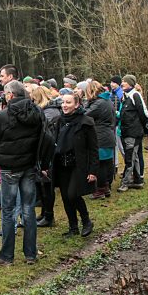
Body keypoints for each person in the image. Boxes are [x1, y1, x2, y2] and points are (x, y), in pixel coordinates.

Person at [0, 79, 46, 266]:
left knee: (9, 210)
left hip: (10, 167)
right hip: (29, 165)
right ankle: (30, 253)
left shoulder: (2, 116)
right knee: (28, 210)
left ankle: (6, 255)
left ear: (10, 95)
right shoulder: (37, 112)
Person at [53, 91, 98, 237]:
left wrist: (93, 171)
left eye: (68, 102)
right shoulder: (59, 121)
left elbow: (93, 148)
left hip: (78, 165)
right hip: (61, 164)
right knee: (65, 197)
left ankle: (86, 221)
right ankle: (73, 227)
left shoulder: (85, 122)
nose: (64, 105)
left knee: (73, 194)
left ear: (77, 104)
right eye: (63, 102)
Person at [33, 85, 62, 227]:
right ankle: (44, 212)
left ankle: (49, 216)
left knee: (47, 185)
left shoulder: (50, 113)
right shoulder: (48, 111)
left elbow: (47, 136)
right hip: (44, 153)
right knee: (42, 184)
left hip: (50, 154)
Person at [116, 74, 148, 192]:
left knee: (130, 157)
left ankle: (126, 182)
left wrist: (141, 128)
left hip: (133, 132)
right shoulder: (125, 96)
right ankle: (138, 181)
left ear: (130, 83)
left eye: (124, 81)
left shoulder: (135, 95)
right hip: (127, 131)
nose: (122, 83)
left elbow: (144, 114)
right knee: (134, 157)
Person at [84, 81, 116, 200]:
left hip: (100, 136)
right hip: (107, 135)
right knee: (107, 163)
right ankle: (106, 187)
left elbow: (86, 114)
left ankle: (101, 189)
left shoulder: (98, 103)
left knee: (100, 164)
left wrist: (87, 103)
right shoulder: (107, 101)